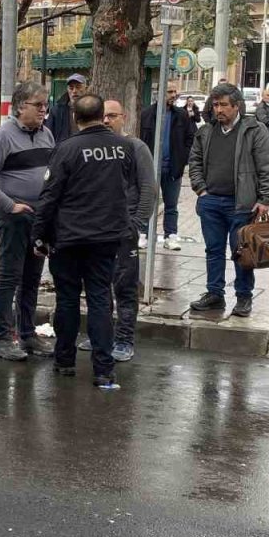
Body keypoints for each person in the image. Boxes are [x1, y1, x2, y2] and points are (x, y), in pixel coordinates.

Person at [29, 94, 134, 389]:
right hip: (107, 236)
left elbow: (50, 195)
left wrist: (38, 235)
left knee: (68, 299)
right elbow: (126, 186)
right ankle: (104, 369)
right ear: (102, 115)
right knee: (100, 299)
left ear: (75, 118)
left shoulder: (67, 148)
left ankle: (65, 361)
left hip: (70, 237)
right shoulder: (123, 148)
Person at [0, 82, 56, 362]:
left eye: (46, 105)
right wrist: (11, 206)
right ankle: (2, 338)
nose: (44, 110)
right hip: (13, 219)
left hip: (39, 218)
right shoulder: (3, 136)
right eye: (38, 105)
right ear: (21, 107)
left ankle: (27, 334)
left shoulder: (46, 135)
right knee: (10, 277)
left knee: (32, 278)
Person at [187, 83, 269, 317]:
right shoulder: (206, 131)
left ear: (237, 106)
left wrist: (265, 198)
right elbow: (195, 161)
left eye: (224, 105)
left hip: (242, 204)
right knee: (213, 250)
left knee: (242, 252)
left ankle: (244, 297)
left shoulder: (254, 130)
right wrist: (201, 189)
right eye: (215, 105)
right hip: (211, 202)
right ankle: (214, 294)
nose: (218, 109)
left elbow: (266, 166)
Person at [99, 99, 155, 362]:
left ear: (124, 118)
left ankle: (124, 339)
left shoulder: (136, 147)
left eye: (112, 116)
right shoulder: (96, 148)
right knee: (99, 286)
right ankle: (102, 335)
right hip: (97, 230)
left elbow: (148, 188)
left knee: (125, 287)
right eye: (103, 116)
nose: (107, 121)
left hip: (124, 230)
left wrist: (137, 223)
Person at [139, 81, 197, 252]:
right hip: (150, 168)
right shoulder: (147, 114)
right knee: (147, 202)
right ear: (160, 93)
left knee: (171, 205)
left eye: (174, 91)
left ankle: (170, 235)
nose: (173, 95)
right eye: (169, 91)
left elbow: (190, 138)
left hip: (173, 168)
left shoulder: (181, 115)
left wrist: (182, 158)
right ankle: (143, 234)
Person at [48, 73, 87, 143]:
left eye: (78, 87)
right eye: (71, 88)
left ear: (85, 88)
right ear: (67, 89)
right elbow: (49, 135)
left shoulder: (93, 109)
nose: (74, 91)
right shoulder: (57, 111)